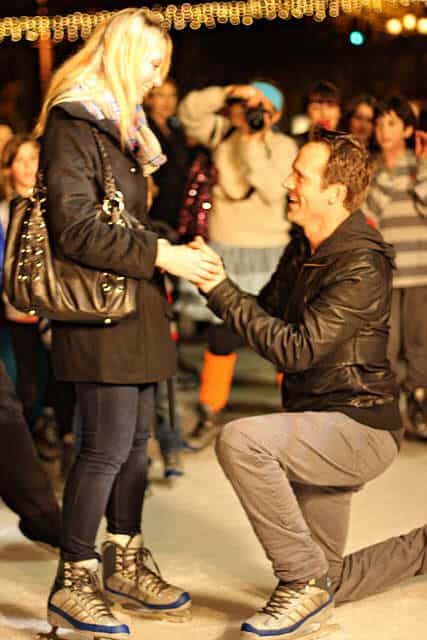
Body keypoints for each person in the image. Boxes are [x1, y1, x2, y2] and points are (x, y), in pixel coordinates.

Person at [195, 130, 427, 639]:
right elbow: (265, 315)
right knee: (330, 577)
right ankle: (327, 578)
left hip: (359, 425)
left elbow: (296, 349)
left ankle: (300, 583)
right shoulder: (306, 246)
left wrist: (221, 291)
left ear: (335, 193)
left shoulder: (361, 262)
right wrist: (210, 279)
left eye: (300, 175)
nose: (287, 182)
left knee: (242, 441)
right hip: (317, 419)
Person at [34, 8, 219, 640]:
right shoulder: (74, 124)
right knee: (105, 446)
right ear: (122, 55)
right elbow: (77, 230)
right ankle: (74, 581)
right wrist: (162, 254)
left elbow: (126, 223)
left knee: (136, 443)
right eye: (151, 63)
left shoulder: (125, 130)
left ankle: (125, 560)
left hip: (134, 304)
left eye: (163, 66)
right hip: (98, 311)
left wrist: (175, 245)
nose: (156, 78)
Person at [178, 80, 297, 449]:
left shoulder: (284, 146)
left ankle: (296, 413)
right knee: (221, 335)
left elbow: (270, 188)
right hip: (227, 248)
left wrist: (253, 142)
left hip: (271, 251)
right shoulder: (223, 134)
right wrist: (227, 94)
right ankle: (209, 410)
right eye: (251, 106)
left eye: (263, 108)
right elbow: (188, 113)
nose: (255, 113)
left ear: (276, 114)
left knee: (281, 336)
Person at [361, 96, 427, 440]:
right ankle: (383, 406)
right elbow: (369, 213)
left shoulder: (420, 164)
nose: (383, 131)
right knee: (385, 341)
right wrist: (386, 171)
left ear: (408, 130)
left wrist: (422, 168)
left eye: (391, 124)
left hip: (420, 269)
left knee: (419, 342)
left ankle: (418, 400)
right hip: (385, 270)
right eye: (379, 123)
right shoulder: (371, 167)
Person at [294, 80, 341, 148]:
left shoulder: (348, 147)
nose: (324, 113)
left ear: (340, 112)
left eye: (331, 106)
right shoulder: (293, 144)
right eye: (316, 108)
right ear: (306, 112)